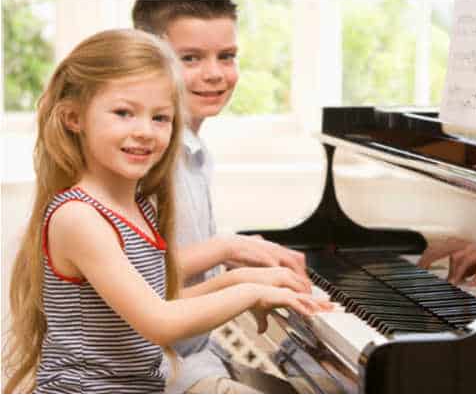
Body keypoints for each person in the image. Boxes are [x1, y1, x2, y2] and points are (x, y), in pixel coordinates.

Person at [2, 28, 331, 394]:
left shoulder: (135, 206)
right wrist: (249, 295)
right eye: (124, 113)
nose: (145, 131)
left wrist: (242, 281)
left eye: (160, 118)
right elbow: (159, 322)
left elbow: (156, 302)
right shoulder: (78, 216)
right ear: (73, 118)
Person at [131, 0, 314, 393]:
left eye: (226, 56)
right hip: (156, 367)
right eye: (191, 58)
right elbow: (141, 276)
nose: (214, 74)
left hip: (195, 353)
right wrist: (230, 254)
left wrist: (241, 265)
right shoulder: (145, 155)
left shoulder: (192, 149)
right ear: (146, 59)